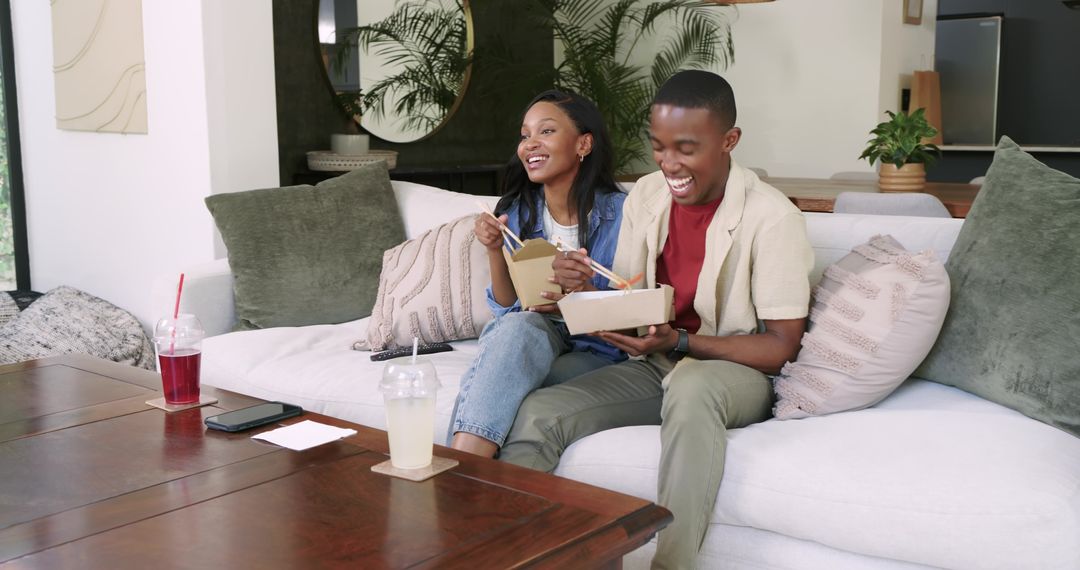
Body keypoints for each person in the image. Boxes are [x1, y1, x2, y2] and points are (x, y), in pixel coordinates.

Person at [498, 71, 814, 569]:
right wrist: (584, 292)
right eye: (659, 147)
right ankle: (516, 556)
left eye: (686, 148)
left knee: (691, 388)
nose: (670, 164)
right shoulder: (648, 195)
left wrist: (682, 342)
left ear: (729, 141)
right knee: (540, 411)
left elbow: (780, 347)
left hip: (733, 373)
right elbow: (626, 295)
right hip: (658, 359)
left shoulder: (773, 219)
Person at [446, 90, 627, 458]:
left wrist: (580, 292)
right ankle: (465, 467)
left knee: (506, 388)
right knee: (518, 328)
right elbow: (508, 309)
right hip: (534, 335)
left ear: (584, 143)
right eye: (525, 134)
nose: (530, 144)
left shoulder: (623, 214)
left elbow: (632, 318)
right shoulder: (516, 211)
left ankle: (459, 473)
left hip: (596, 348)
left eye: (546, 131)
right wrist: (494, 249)